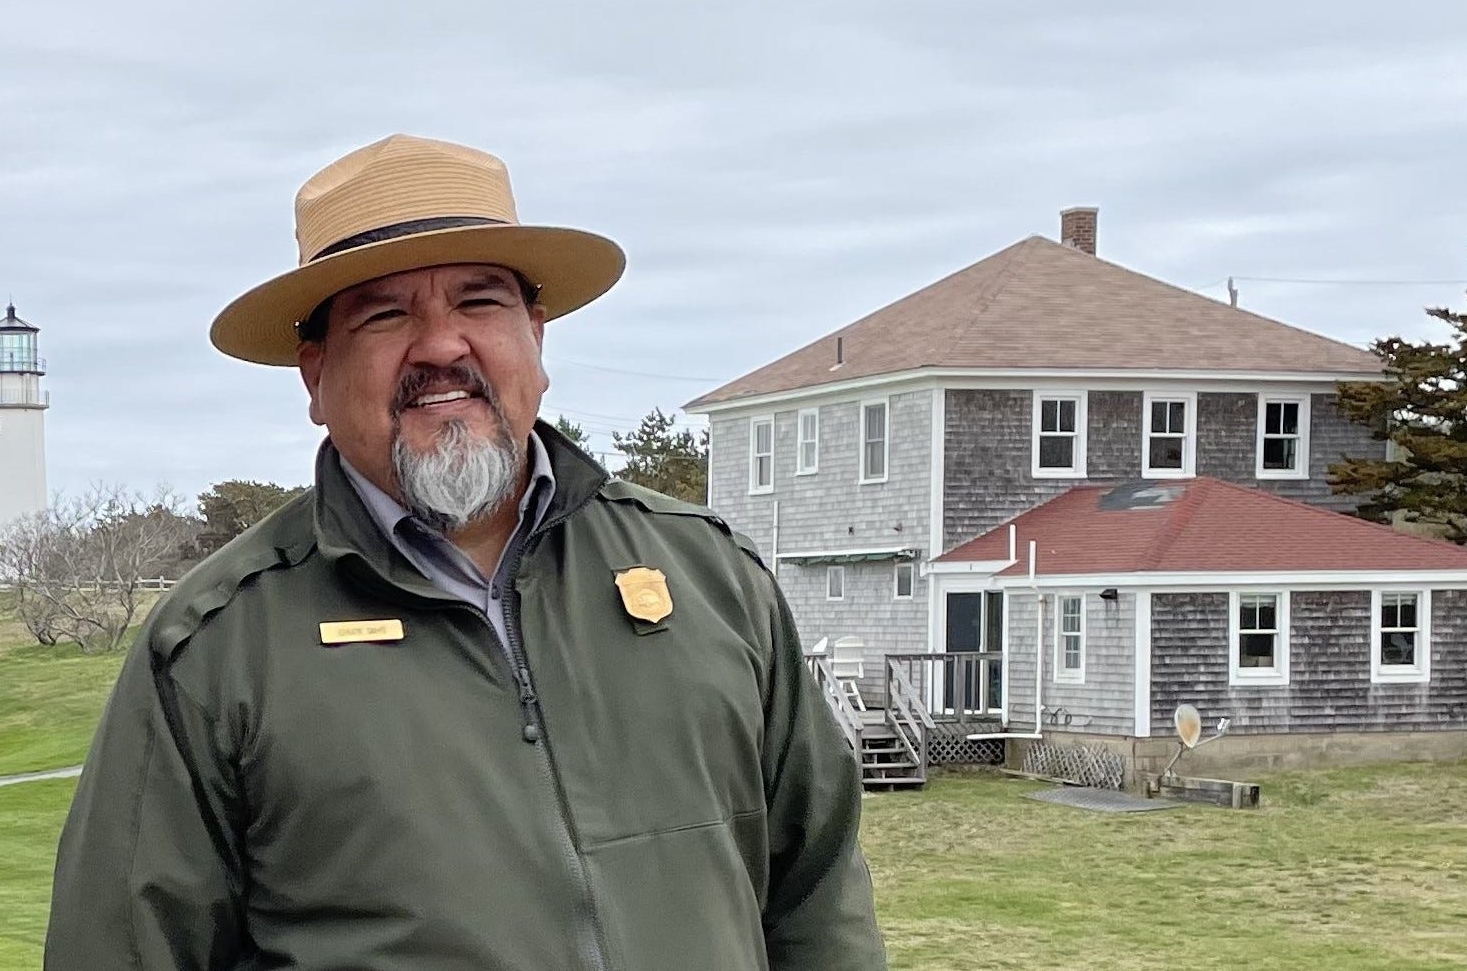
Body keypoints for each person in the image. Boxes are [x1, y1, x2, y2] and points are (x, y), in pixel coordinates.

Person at [44, 134, 886, 970]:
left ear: (537, 337)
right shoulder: (215, 646)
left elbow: (819, 902)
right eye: (385, 313)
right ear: (315, 373)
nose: (442, 344)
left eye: (480, 303)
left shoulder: (712, 581)